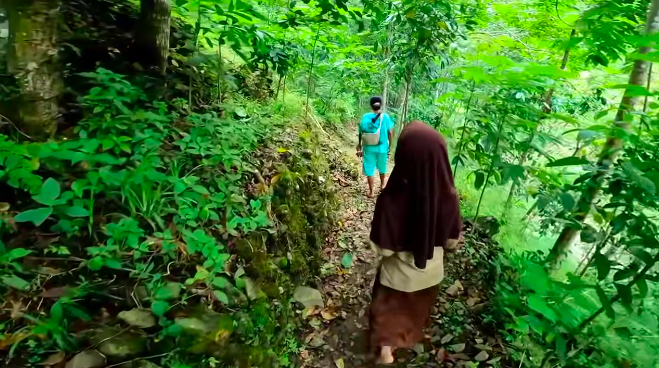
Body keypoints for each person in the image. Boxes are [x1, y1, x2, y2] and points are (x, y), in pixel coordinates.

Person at [367, 121, 463, 364]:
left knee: (388, 309)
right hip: (429, 275)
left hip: (396, 276)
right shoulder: (449, 197)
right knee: (413, 312)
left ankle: (385, 350)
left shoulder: (392, 196)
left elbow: (382, 248)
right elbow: (452, 242)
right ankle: (402, 341)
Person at [357, 96, 394, 197]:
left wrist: (359, 144)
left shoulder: (365, 117)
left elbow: (361, 132)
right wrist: (389, 146)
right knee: (382, 168)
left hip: (368, 147)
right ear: (380, 105)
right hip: (382, 148)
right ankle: (382, 186)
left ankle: (371, 192)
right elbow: (390, 133)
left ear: (371, 105)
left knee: (369, 169)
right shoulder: (385, 117)